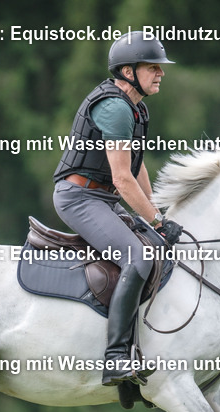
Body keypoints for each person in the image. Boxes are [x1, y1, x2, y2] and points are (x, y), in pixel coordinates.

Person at [53, 31, 183, 387]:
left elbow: (136, 166)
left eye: (161, 68)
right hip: (79, 198)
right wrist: (155, 220)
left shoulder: (135, 107)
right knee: (138, 258)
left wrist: (157, 214)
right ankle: (114, 358)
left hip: (101, 198)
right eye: (153, 67)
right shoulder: (114, 107)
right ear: (128, 71)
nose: (161, 73)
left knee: (155, 250)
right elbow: (123, 180)